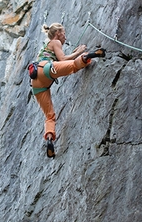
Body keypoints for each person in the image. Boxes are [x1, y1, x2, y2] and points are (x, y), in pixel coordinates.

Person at [31, 23, 105, 157]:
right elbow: (63, 59)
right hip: (46, 69)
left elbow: (61, 61)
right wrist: (79, 52)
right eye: (64, 33)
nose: (65, 37)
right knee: (73, 66)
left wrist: (73, 54)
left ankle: (49, 138)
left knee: (49, 116)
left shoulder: (46, 47)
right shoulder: (55, 42)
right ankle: (86, 56)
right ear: (58, 33)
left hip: (36, 82)